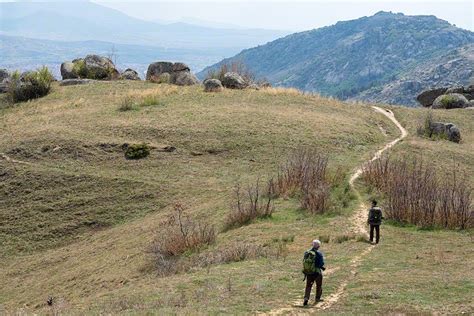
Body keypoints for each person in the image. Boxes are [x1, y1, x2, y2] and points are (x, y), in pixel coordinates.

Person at [302, 239, 325, 306]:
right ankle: (317, 298)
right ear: (318, 246)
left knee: (308, 286)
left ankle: (306, 298)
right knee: (319, 285)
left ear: (312, 245)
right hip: (317, 273)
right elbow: (321, 263)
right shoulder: (319, 254)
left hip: (308, 272)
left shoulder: (306, 252)